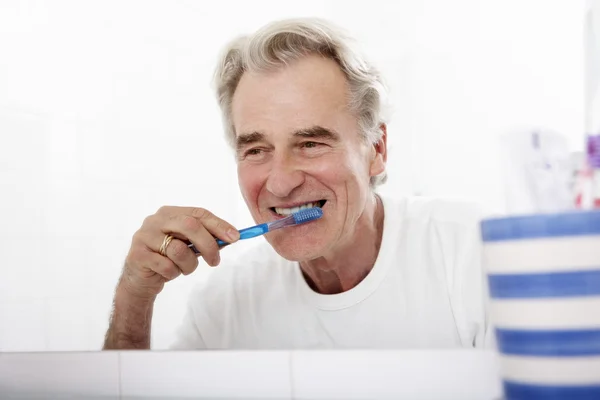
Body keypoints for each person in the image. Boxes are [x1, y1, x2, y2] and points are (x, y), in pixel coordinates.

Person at [103, 17, 490, 350]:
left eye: (310, 144)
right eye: (256, 150)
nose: (282, 182)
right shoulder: (225, 304)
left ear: (376, 149)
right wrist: (135, 295)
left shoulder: (475, 254)